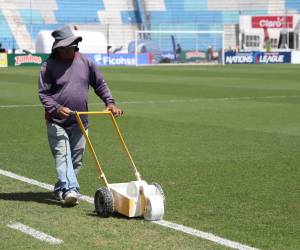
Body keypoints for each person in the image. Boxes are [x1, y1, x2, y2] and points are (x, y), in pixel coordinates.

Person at [38, 26, 123, 206]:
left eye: (72, 45)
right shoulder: (48, 66)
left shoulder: (86, 62)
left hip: (80, 120)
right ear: (57, 48)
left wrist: (110, 103)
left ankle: (62, 189)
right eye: (65, 47)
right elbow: (43, 94)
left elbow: (99, 84)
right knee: (63, 155)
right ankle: (72, 190)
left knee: (76, 160)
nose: (69, 49)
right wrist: (56, 107)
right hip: (56, 121)